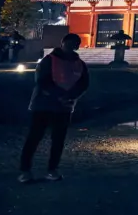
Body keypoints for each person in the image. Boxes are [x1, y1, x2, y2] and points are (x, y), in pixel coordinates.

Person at [19, 34, 90, 182]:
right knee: (34, 137)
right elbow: (42, 81)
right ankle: (25, 170)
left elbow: (83, 84)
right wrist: (60, 96)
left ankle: (52, 169)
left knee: (58, 140)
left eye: (75, 44)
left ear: (78, 46)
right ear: (62, 43)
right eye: (69, 43)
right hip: (42, 105)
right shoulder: (49, 60)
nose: (72, 46)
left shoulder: (80, 64)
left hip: (64, 107)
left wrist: (71, 96)